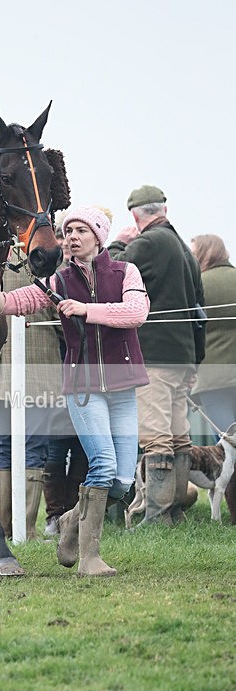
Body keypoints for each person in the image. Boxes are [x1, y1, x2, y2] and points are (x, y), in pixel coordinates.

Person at [0, 206, 150, 577]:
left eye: (81, 230)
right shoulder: (57, 282)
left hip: (123, 387)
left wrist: (86, 310)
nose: (72, 236)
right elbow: (9, 304)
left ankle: (71, 521)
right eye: (68, 230)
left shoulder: (127, 272)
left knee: (122, 483)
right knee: (103, 466)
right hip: (82, 388)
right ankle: (89, 559)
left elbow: (136, 312)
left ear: (99, 237)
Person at [108, 185, 205, 526]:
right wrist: (196, 359)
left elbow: (111, 272)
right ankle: (174, 512)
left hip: (154, 356)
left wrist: (120, 242)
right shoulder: (184, 248)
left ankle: (158, 517)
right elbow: (199, 309)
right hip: (182, 356)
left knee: (155, 436)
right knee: (178, 435)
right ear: (163, 208)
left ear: (135, 215)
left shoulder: (147, 243)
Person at [0, 248, 69, 540]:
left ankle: (3, 530)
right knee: (33, 448)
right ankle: (26, 529)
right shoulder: (52, 260)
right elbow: (62, 319)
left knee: (3, 448)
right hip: (39, 366)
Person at [43, 211, 87, 536]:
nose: (68, 243)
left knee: (83, 449)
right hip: (59, 374)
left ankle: (73, 513)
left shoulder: (94, 278)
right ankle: (54, 515)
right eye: (64, 236)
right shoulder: (54, 279)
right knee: (57, 449)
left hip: (86, 374)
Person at [189, 234, 236, 524]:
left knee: (227, 449)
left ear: (204, 254)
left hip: (213, 379)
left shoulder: (200, 285)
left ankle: (233, 515)